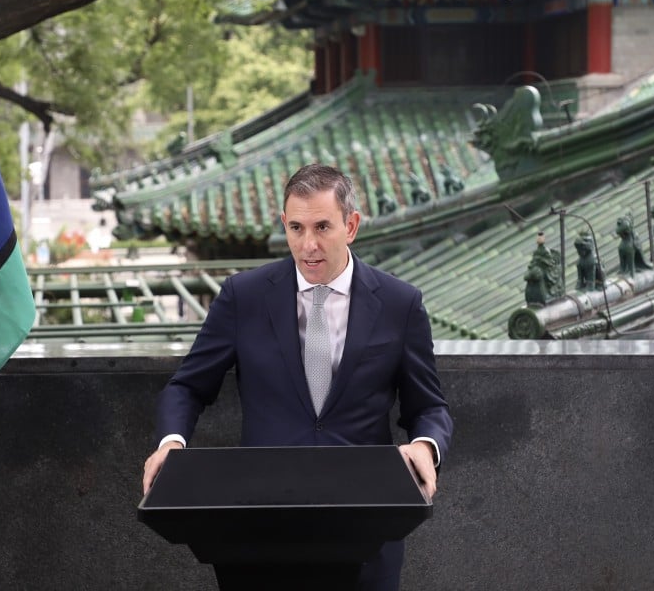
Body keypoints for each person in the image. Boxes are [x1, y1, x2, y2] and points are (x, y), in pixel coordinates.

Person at [142, 163, 453, 591]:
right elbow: (188, 386)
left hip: (365, 530)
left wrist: (425, 445)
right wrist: (170, 444)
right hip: (259, 530)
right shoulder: (243, 297)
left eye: (323, 227)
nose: (308, 245)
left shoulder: (400, 303)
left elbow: (429, 406)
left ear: (352, 225)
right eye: (296, 228)